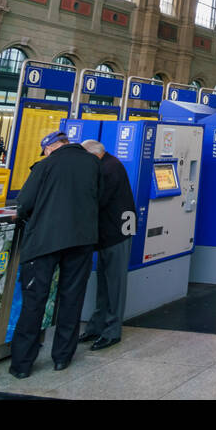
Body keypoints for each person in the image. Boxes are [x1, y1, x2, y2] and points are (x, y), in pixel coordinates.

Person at [9, 131, 101, 378]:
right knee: (72, 298)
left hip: (45, 242)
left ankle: (22, 364)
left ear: (50, 148)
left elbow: (24, 203)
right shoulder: (93, 163)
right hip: (81, 241)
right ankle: (62, 357)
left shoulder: (45, 165)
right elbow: (99, 199)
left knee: (34, 300)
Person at [79, 139, 137, 350]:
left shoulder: (109, 168)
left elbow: (98, 200)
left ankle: (112, 331)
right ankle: (97, 325)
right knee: (104, 282)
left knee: (114, 284)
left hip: (117, 233)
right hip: (108, 233)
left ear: (94, 155)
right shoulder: (108, 164)